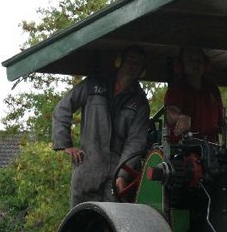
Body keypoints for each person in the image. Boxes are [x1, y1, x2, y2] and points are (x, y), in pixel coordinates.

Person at [52, 45, 152, 207]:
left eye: (138, 63)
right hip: (88, 168)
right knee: (81, 222)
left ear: (142, 70)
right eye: (130, 60)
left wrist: (123, 175)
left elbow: (135, 141)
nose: (133, 66)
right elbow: (62, 108)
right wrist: (66, 145)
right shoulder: (93, 84)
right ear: (120, 61)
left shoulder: (140, 103)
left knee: (112, 224)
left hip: (116, 175)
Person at [164, 47, 225, 143]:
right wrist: (180, 117)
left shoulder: (213, 89)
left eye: (198, 60)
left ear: (205, 63)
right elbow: (169, 114)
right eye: (190, 60)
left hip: (211, 149)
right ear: (181, 64)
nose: (195, 64)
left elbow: (220, 122)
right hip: (183, 151)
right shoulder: (177, 88)